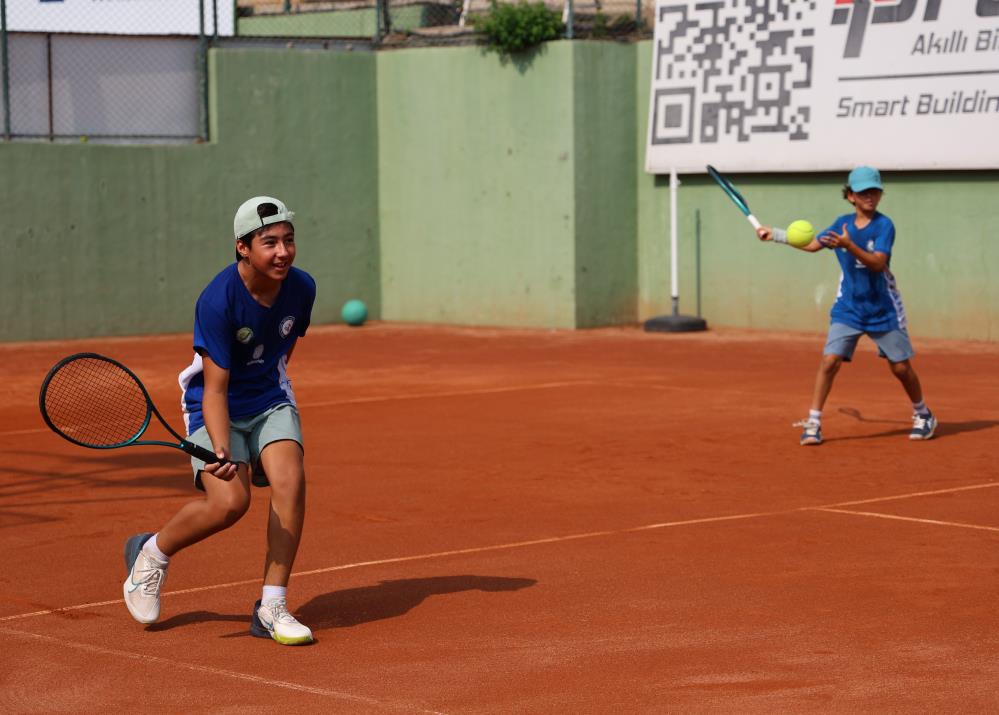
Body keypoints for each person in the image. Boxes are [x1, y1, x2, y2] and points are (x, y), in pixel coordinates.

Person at [122, 196, 317, 645]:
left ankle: (272, 605)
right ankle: (151, 554)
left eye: (288, 240)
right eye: (269, 242)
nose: (283, 251)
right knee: (230, 503)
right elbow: (214, 388)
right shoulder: (218, 300)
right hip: (215, 403)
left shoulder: (302, 287)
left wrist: (273, 403)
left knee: (291, 481)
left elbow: (285, 344)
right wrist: (221, 448)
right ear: (242, 247)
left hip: (270, 398)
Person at [756, 166, 937, 446]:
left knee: (900, 368)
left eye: (874, 191)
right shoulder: (842, 223)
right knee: (830, 361)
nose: (870, 196)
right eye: (863, 192)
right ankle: (814, 423)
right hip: (849, 308)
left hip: (883, 308)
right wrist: (776, 235)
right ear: (851, 196)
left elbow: (878, 264)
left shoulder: (884, 225)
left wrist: (849, 245)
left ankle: (923, 414)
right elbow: (814, 244)